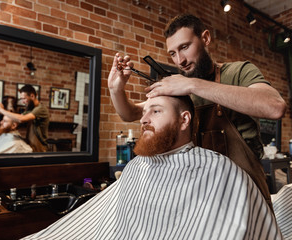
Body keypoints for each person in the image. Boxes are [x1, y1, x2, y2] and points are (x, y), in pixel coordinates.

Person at [22, 95, 282, 240]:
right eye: (145, 112)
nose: (144, 119)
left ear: (184, 120)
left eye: (155, 111)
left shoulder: (219, 171)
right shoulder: (137, 166)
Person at [108, 13, 286, 208]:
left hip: (248, 198)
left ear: (205, 38)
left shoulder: (238, 72)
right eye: (173, 53)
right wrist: (115, 89)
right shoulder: (179, 89)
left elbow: (275, 107)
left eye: (184, 47)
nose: (180, 60)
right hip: (205, 198)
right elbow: (131, 114)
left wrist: (192, 85)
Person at [0, 84, 49, 152]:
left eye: (24, 98)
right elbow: (18, 118)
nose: (23, 102)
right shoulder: (30, 109)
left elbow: (21, 119)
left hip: (40, 148)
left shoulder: (41, 109)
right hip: (31, 145)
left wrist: (2, 110)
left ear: (32, 96)